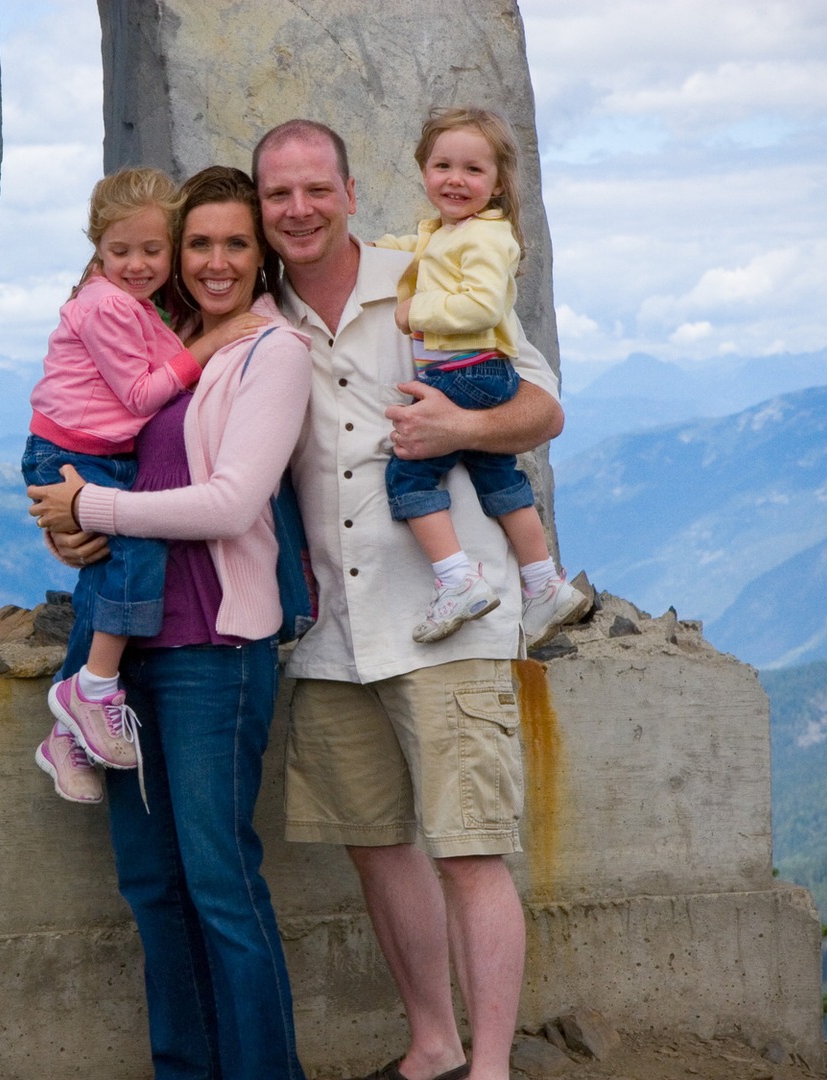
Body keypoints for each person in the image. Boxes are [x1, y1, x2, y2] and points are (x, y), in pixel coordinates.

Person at [252, 118, 566, 1080]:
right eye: (277, 196)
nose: (297, 210)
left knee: (470, 849)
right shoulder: (256, 317)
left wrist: (464, 423)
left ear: (351, 192)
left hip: (447, 611)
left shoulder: (424, 276)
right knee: (377, 845)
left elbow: (544, 407)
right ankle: (432, 1046)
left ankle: (493, 1068)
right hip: (325, 626)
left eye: (316, 189)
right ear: (263, 211)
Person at [28, 165, 312, 1080]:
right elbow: (97, 464)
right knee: (151, 887)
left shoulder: (273, 351)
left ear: (262, 253)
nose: (217, 261)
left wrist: (93, 512)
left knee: (221, 883)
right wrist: (71, 526)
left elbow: (230, 505)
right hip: (121, 643)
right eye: (201, 243)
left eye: (237, 243)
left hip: (212, 648)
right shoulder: (154, 330)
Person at [21, 166, 263, 803]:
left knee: (115, 569)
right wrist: (211, 343)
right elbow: (140, 392)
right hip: (78, 457)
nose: (137, 263)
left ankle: (68, 734)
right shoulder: (109, 305)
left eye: (153, 250)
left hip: (92, 461)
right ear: (97, 246)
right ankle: (91, 689)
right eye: (120, 251)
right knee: (134, 556)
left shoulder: (143, 308)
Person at [376, 106, 588, 647]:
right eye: (443, 165)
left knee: (409, 473)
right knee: (498, 477)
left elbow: (482, 304)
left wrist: (412, 311)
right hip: (480, 374)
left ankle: (457, 580)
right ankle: (543, 584)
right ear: (424, 170)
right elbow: (414, 251)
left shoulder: (485, 239)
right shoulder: (444, 233)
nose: (455, 179)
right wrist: (368, 253)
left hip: (465, 370)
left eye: (473, 170)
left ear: (497, 185)